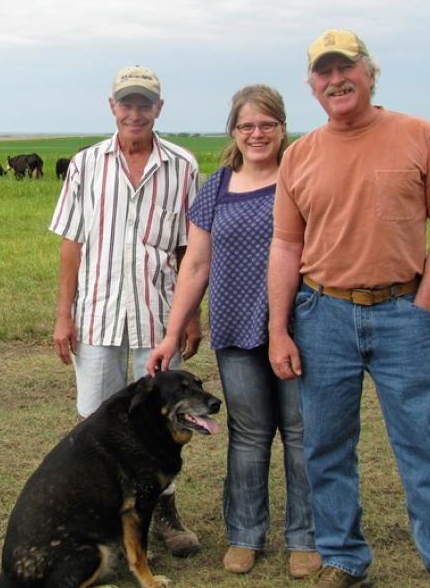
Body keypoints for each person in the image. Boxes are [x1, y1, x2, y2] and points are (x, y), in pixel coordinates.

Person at [268, 29, 430, 588]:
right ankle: (344, 558)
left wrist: (424, 304)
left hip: (401, 312)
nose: (336, 80)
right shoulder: (301, 155)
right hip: (322, 315)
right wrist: (278, 329)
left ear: (369, 72)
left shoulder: (419, 135)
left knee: (429, 453)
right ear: (312, 85)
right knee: (327, 449)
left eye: (346, 68)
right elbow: (287, 245)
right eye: (324, 72)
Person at [145, 84, 320, 579]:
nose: (257, 133)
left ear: (283, 128)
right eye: (247, 126)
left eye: (267, 124)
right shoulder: (216, 188)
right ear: (234, 132)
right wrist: (171, 333)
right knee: (248, 434)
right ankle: (245, 535)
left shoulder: (301, 177)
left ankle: (305, 538)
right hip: (236, 328)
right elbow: (196, 265)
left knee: (302, 434)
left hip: (300, 325)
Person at [49, 65, 203, 557]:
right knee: (97, 420)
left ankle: (164, 518)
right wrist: (63, 314)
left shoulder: (182, 165)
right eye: (126, 103)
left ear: (159, 108)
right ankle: (106, 521)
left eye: (144, 104)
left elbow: (188, 251)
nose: (135, 112)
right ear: (111, 106)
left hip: (160, 318)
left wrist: (192, 316)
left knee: (164, 420)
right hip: (96, 315)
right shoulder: (86, 164)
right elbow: (71, 244)